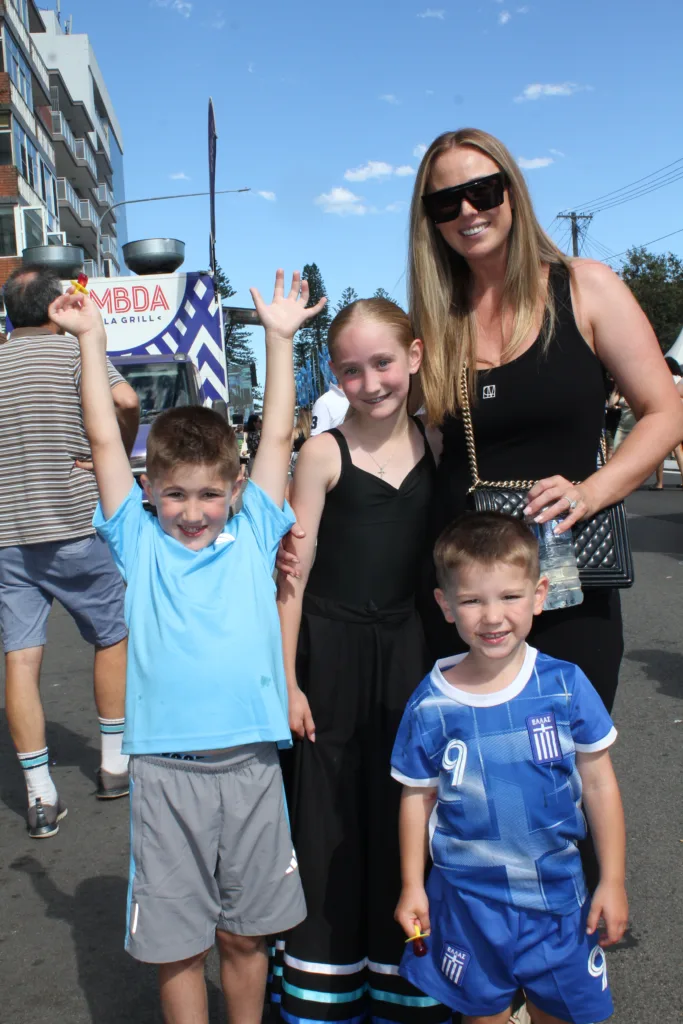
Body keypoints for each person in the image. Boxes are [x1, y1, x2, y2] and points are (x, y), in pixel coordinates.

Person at [55, 269, 323, 1024]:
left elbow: (274, 434)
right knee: (177, 945)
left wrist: (279, 337)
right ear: (150, 492)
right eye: (176, 494)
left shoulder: (254, 533)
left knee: (245, 936)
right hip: (166, 772)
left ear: (235, 490)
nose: (194, 511)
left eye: (210, 493)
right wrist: (91, 342)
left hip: (250, 767)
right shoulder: (137, 544)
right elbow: (104, 435)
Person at [409, 128, 683, 714]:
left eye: (483, 190)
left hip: (566, 574)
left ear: (512, 192)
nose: (467, 211)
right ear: (429, 219)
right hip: (460, 590)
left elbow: (664, 412)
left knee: (569, 771)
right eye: (445, 201)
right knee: (469, 779)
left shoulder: (588, 288)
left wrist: (590, 493)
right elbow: (396, 434)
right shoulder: (433, 321)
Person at [274, 299, 448, 1023]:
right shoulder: (321, 451)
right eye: (350, 369)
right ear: (333, 375)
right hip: (332, 655)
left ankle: (404, 981)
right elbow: (292, 574)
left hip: (413, 652)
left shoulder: (439, 444)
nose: (370, 381)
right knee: (330, 816)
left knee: (408, 808)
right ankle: (323, 988)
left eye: (382, 362)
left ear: (413, 356)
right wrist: (285, 679)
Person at [392, 513, 628, 1024]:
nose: (492, 616)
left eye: (509, 597)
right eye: (473, 600)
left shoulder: (565, 685)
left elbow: (599, 783)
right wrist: (412, 883)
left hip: (558, 903)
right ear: (445, 605)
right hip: (467, 907)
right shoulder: (431, 702)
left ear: (540, 594)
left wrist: (612, 879)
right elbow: (417, 797)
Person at [0, 266, 139, 838]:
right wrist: (114, 454)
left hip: (9, 535)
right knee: (112, 635)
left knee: (21, 659)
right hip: (78, 522)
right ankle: (112, 765)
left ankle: (40, 795)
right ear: (60, 305)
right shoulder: (77, 353)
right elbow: (126, 400)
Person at [650, 356, 683, 489]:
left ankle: (659, 482)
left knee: (661, 449)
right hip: (678, 416)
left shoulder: (665, 379)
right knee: (678, 450)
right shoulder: (679, 378)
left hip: (668, 416)